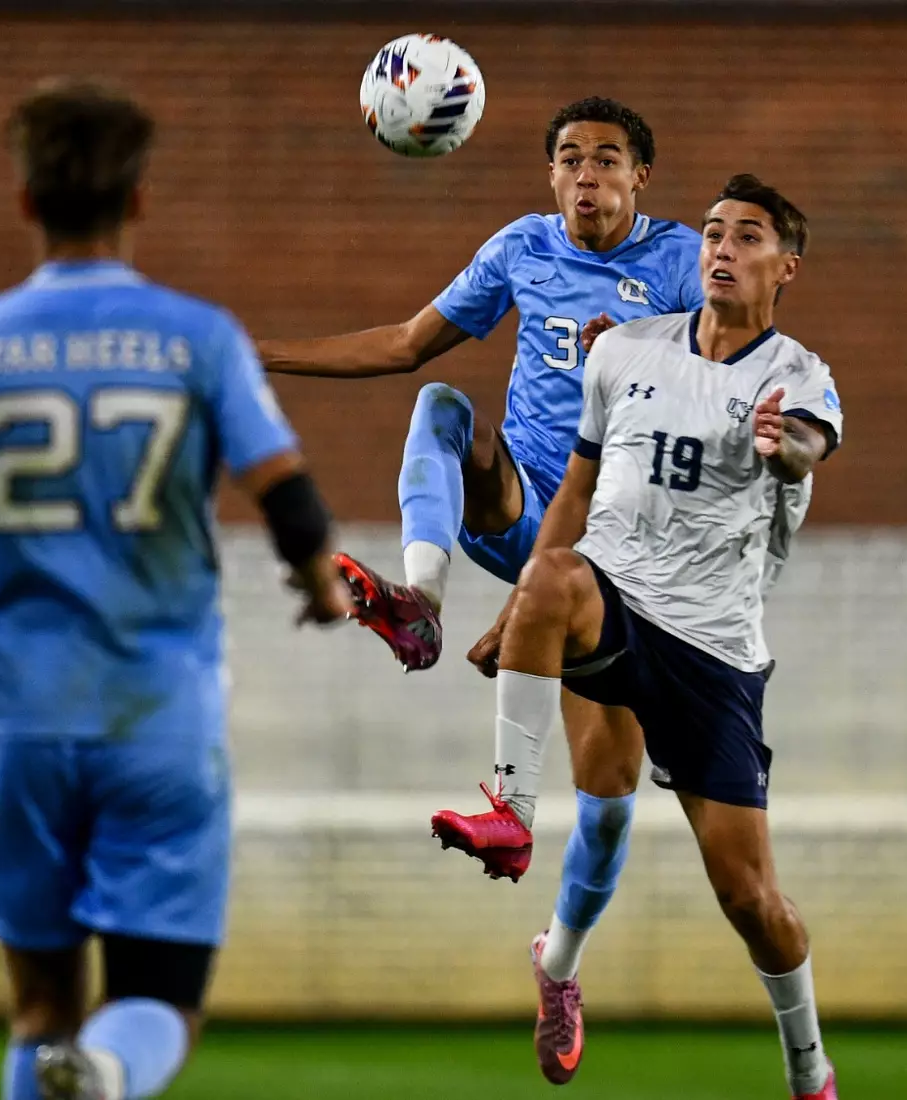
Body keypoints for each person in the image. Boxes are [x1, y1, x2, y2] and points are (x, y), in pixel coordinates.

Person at [0, 78, 350, 1100]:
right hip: (157, 715)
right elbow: (291, 501)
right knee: (160, 1002)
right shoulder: (199, 338)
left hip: (18, 722)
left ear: (28, 203)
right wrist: (317, 585)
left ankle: (72, 1065)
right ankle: (113, 1070)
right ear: (139, 202)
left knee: (38, 1011)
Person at [258, 99, 700, 903]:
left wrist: (639, 350)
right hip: (524, 507)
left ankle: (559, 961)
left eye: (605, 159)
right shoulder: (521, 247)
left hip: (622, 542)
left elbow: (723, 382)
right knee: (440, 403)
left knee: (606, 801)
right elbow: (404, 342)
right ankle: (419, 601)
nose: (585, 175)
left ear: (640, 177)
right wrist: (257, 356)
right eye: (569, 158)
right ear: (551, 174)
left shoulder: (681, 262)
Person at [469, 174, 842, 1098]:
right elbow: (575, 493)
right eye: (713, 231)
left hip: (712, 654)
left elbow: (809, 442)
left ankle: (809, 1068)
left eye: (747, 236)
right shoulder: (625, 352)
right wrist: (520, 608)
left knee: (752, 904)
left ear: (784, 266)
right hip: (616, 608)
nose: (721, 247)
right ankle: (510, 821)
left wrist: (783, 443)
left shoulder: (795, 372)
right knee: (554, 577)